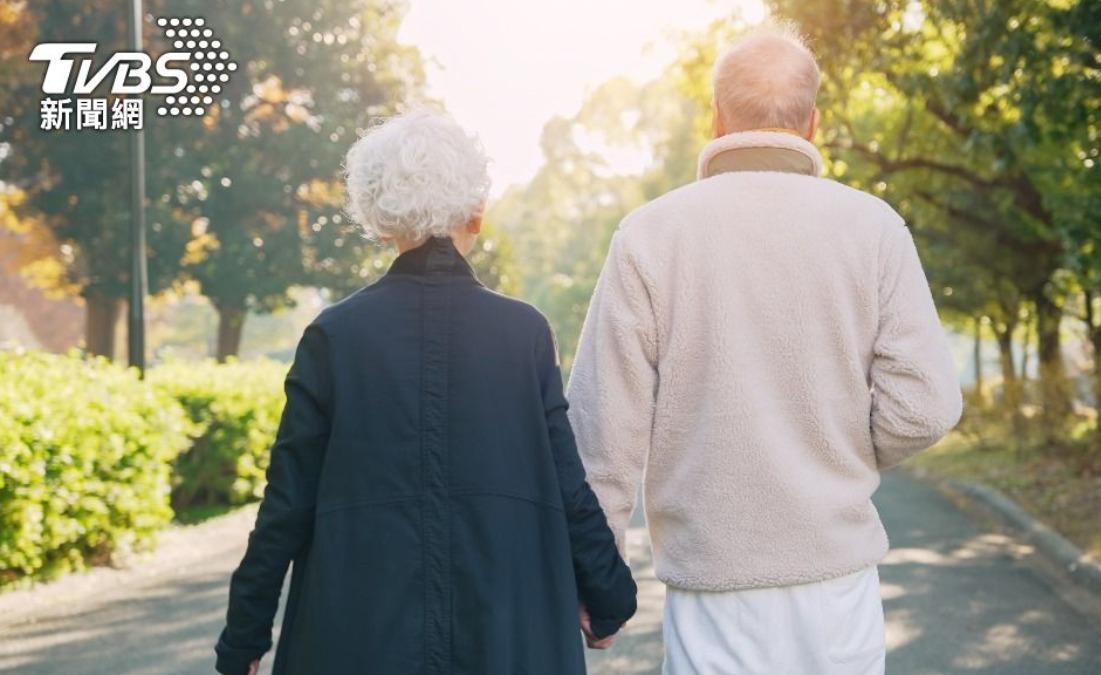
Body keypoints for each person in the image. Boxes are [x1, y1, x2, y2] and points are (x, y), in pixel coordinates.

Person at [567, 28, 962, 675]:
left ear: (717, 117)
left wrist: (596, 580)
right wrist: (839, 445)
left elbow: (604, 430)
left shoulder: (650, 235)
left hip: (715, 593)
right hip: (837, 587)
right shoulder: (873, 228)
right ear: (814, 123)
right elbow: (925, 405)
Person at [213, 110, 636, 675]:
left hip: (357, 640)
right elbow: (567, 483)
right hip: (504, 641)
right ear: (477, 214)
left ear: (379, 218)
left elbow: (286, 505)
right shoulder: (524, 334)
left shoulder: (333, 337)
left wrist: (244, 638)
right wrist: (607, 597)